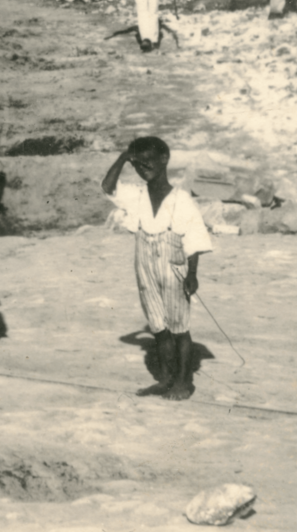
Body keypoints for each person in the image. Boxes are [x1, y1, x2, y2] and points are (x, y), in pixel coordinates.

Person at [98, 135, 212, 400]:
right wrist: (126, 156)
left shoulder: (181, 199)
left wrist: (193, 274)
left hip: (173, 266)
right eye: (138, 164)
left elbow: (194, 237)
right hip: (145, 267)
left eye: (148, 161)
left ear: (164, 160)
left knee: (179, 328)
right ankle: (165, 379)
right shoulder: (135, 196)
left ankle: (184, 382)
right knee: (158, 328)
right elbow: (107, 187)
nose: (143, 168)